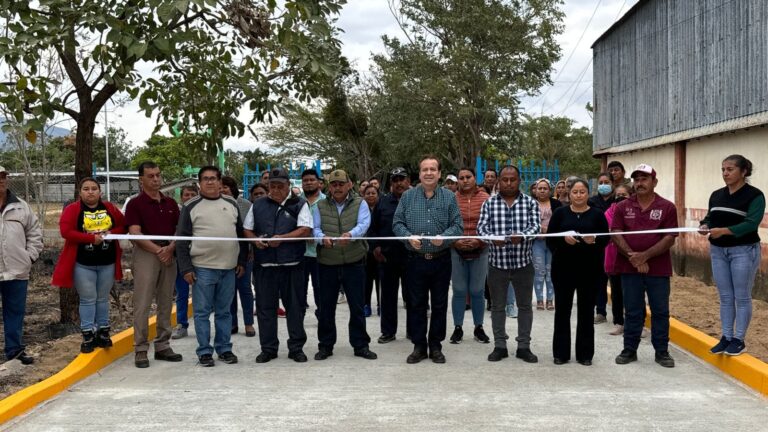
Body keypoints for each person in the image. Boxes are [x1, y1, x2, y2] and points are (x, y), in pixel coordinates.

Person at [393, 155, 463, 364]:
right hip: (415, 260)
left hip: (441, 260)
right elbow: (397, 223)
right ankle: (419, 346)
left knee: (440, 304)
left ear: (440, 174)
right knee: (416, 304)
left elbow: (457, 226)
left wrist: (445, 237)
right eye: (425, 169)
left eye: (433, 169)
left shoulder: (449, 198)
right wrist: (408, 237)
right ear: (420, 173)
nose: (429, 173)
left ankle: (436, 346)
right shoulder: (407, 197)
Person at [176, 167, 247, 367]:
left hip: (229, 268)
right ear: (200, 183)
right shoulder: (191, 206)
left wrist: (241, 261)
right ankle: (204, 351)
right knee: (202, 312)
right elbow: (181, 241)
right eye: (205, 179)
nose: (209, 182)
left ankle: (224, 349)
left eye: (213, 179)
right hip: (202, 268)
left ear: (219, 182)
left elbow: (240, 235)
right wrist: (186, 269)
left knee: (224, 312)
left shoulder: (231, 203)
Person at [611, 164, 678, 368]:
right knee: (632, 311)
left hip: (658, 269)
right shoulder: (623, 206)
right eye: (636, 179)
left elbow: (670, 237)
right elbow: (615, 233)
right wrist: (633, 257)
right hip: (629, 267)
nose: (640, 183)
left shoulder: (667, 207)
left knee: (660, 311)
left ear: (654, 182)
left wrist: (645, 257)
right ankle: (629, 350)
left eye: (644, 179)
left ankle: (662, 351)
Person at [244, 168, 312, 363]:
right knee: (265, 309)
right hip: (265, 265)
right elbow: (247, 229)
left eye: (280, 186)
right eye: (272, 186)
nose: (276, 190)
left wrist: (283, 238)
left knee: (295, 308)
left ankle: (296, 348)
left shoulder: (300, 204)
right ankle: (268, 348)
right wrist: (256, 240)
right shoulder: (257, 205)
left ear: (288, 186)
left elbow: (305, 229)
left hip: (293, 264)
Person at [699, 155, 765, 356]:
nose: (725, 173)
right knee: (725, 296)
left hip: (743, 250)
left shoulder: (755, 196)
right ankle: (726, 336)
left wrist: (725, 231)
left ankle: (739, 339)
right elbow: (711, 217)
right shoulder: (717, 195)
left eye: (730, 169)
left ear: (744, 171)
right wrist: (705, 225)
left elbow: (751, 224)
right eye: (723, 169)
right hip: (718, 251)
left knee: (742, 296)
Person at [52, 178, 126, 353]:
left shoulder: (109, 208)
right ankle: (87, 334)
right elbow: (66, 232)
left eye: (94, 189)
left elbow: (123, 226)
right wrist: (90, 238)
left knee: (102, 298)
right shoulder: (72, 210)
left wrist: (109, 233)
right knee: (87, 299)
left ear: (100, 192)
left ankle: (103, 332)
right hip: (83, 263)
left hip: (107, 263)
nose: (90, 192)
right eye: (86, 189)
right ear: (80, 192)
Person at [476, 165, 540, 363]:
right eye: (505, 179)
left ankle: (523, 346)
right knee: (497, 307)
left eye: (513, 179)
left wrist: (522, 236)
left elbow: (536, 227)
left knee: (524, 306)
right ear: (499, 181)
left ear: (519, 180)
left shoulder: (530, 203)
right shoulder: (490, 203)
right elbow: (481, 229)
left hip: (523, 264)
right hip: (497, 264)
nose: (509, 183)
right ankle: (500, 346)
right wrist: (491, 238)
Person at [312, 169, 377, 361]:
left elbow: (364, 224)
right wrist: (321, 238)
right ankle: (325, 345)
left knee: (357, 306)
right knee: (326, 308)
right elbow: (314, 228)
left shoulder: (360, 203)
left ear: (349, 185)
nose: (338, 187)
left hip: (354, 262)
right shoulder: (319, 206)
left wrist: (351, 235)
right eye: (334, 184)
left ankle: (360, 345)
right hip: (327, 263)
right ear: (328, 186)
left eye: (341, 184)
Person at [124, 161, 183, 368]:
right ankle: (141, 348)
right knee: (143, 302)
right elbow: (134, 233)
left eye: (158, 175)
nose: (156, 179)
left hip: (169, 254)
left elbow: (179, 230)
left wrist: (171, 248)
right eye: (151, 176)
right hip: (147, 254)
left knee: (166, 301)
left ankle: (163, 345)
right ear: (141, 179)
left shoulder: (170, 203)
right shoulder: (135, 204)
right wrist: (158, 250)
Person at [547, 179, 609, 366]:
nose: (579, 195)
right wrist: (563, 240)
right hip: (563, 270)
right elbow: (550, 240)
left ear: (588, 193)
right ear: (569, 194)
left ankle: (585, 354)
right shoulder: (560, 214)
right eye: (575, 192)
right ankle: (561, 353)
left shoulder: (598, 215)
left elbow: (606, 239)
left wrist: (595, 240)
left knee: (586, 312)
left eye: (582, 192)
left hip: (589, 270)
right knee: (563, 312)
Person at [0, 166, 43, 364]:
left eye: (3, 176)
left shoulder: (20, 206)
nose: (1, 180)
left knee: (15, 312)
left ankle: (14, 351)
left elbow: (34, 232)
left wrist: (29, 257)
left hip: (17, 271)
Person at [369, 167, 411, 344]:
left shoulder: (415, 201)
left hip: (411, 257)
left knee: (413, 297)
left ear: (408, 181)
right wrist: (375, 247)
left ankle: (413, 331)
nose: (399, 183)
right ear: (391, 183)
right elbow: (373, 228)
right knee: (387, 297)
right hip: (387, 258)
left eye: (402, 179)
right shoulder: (382, 202)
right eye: (395, 180)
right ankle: (388, 332)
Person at [449, 168, 490, 344]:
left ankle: (478, 327)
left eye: (468, 177)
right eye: (461, 178)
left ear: (475, 178)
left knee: (477, 290)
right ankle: (458, 328)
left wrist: (479, 241)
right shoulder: (450, 199)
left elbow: (491, 224)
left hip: (480, 249)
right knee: (458, 290)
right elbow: (445, 223)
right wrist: (454, 241)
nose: (465, 180)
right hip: (455, 249)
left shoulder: (486, 199)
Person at [220, 176, 256, 337]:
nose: (222, 190)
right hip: (225, 254)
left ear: (233, 188)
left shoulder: (246, 205)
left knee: (245, 288)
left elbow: (251, 229)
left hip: (245, 254)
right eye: (220, 187)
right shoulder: (217, 205)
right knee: (229, 291)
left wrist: (250, 250)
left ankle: (249, 323)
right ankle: (232, 323)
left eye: (225, 187)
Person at [604, 184, 633, 336]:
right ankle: (619, 323)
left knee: (633, 292)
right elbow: (606, 232)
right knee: (616, 292)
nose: (621, 197)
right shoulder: (608, 212)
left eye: (624, 195)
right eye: (618, 195)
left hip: (631, 256)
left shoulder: (635, 211)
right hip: (613, 257)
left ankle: (636, 324)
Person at [172, 184, 199, 339]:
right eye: (186, 195)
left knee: (202, 294)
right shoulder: (177, 213)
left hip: (201, 258)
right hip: (181, 259)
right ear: (181, 197)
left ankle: (203, 325)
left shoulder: (202, 211)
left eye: (192, 194)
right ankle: (182, 324)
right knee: (182, 293)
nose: (189, 198)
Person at [532, 178, 561, 310]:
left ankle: (550, 300)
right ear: (535, 191)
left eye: (545, 188)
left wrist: (548, 230)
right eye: (540, 188)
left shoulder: (557, 204)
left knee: (551, 272)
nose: (542, 191)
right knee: (539, 271)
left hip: (553, 243)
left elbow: (561, 223)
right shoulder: (530, 204)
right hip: (536, 243)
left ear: (550, 191)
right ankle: (539, 300)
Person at [589, 172, 614, 325]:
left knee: (617, 284)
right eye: (601, 182)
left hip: (615, 246)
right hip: (597, 247)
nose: (603, 185)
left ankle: (621, 316)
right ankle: (600, 312)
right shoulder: (592, 201)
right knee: (599, 281)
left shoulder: (617, 200)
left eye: (606, 182)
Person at [300, 169, 325, 314]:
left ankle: (322, 318)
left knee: (320, 290)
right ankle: (298, 319)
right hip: (300, 253)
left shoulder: (327, 202)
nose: (309, 183)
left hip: (320, 254)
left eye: (312, 180)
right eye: (305, 180)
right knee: (299, 290)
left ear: (319, 183)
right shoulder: (296, 201)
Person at [362, 184, 380, 317]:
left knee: (380, 279)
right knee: (367, 281)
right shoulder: (361, 209)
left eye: (373, 193)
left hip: (380, 250)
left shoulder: (382, 209)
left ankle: (381, 305)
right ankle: (366, 304)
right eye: (367, 193)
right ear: (363, 195)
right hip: (365, 252)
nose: (370, 195)